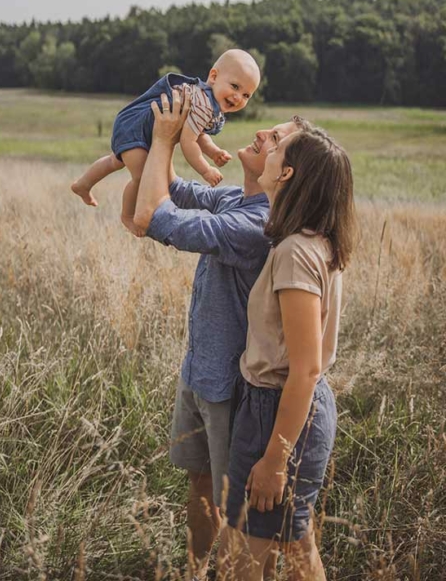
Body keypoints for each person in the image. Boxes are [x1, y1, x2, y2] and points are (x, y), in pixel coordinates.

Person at [132, 88, 312, 581]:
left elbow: (153, 218)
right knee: (200, 485)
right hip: (198, 370)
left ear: (289, 169)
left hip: (232, 389)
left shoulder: (256, 225)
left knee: (238, 513)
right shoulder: (237, 196)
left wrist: (168, 138)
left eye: (274, 138)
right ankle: (195, 571)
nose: (259, 132)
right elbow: (168, 182)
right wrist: (171, 129)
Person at [217, 124, 357, 580]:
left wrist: (275, 460)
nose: (268, 147)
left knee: (245, 555)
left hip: (279, 410)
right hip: (289, 409)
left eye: (276, 148)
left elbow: (306, 369)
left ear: (288, 172)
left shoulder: (296, 251)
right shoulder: (314, 240)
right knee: (294, 543)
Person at [71, 49, 260, 231]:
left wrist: (214, 151)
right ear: (213, 76)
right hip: (139, 128)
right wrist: (206, 169)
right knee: (141, 177)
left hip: (134, 123)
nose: (238, 97)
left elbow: (198, 133)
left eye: (246, 95)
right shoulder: (204, 104)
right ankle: (128, 216)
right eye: (235, 86)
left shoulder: (205, 100)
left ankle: (83, 184)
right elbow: (189, 142)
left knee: (115, 161)